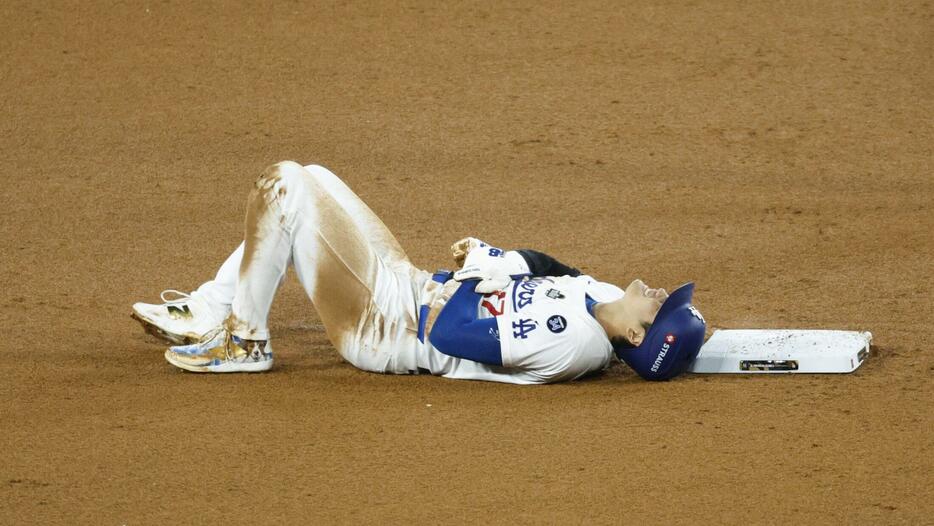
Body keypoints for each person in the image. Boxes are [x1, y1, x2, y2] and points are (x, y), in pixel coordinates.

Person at [132, 161, 706, 384]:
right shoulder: (601, 298)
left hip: (389, 325)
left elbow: (451, 335)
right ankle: (213, 305)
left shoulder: (576, 343)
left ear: (637, 337)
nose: (658, 291)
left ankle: (244, 341)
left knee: (285, 186)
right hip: (404, 284)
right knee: (315, 175)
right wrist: (503, 260)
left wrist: (474, 282)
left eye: (661, 306)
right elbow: (555, 271)